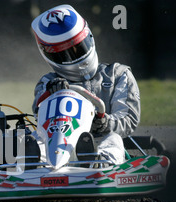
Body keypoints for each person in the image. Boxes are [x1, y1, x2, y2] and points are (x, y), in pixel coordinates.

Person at [30, 4, 141, 165]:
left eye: (78, 48)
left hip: (100, 138)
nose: (73, 57)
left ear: (88, 38)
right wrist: (53, 94)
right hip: (59, 143)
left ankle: (98, 162)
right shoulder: (48, 83)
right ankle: (32, 167)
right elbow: (38, 116)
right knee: (34, 139)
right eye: (63, 54)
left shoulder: (118, 74)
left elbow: (128, 119)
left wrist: (104, 123)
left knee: (113, 139)